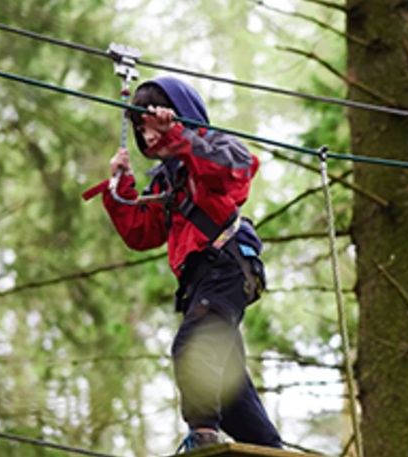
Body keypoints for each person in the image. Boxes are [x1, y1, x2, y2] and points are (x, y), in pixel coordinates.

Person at [81, 76, 282, 451]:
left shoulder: (217, 147)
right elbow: (143, 233)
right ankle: (270, 450)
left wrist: (179, 136)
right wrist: (121, 186)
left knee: (193, 348)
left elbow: (233, 176)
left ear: (178, 115)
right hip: (199, 283)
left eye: (152, 124)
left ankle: (202, 438)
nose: (147, 136)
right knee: (229, 391)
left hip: (227, 265)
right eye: (140, 129)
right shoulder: (165, 179)